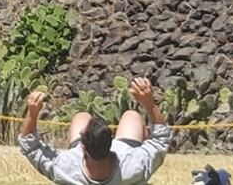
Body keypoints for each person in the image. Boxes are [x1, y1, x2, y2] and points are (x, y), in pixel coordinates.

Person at [19, 78, 172, 185]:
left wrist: (32, 113)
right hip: (122, 167)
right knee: (131, 116)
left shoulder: (65, 168)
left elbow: (30, 146)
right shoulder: (133, 167)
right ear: (111, 142)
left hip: (81, 168)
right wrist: (149, 103)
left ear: (83, 147)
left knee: (81, 117)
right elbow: (160, 140)